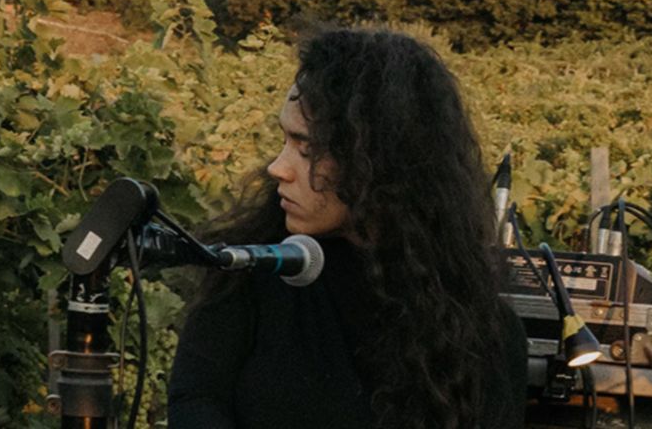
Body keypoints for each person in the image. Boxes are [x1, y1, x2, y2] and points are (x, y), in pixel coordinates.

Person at [167, 28, 528, 429]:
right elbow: (194, 398)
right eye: (284, 140)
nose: (277, 168)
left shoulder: (482, 334)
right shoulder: (250, 271)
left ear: (377, 162)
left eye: (307, 150)